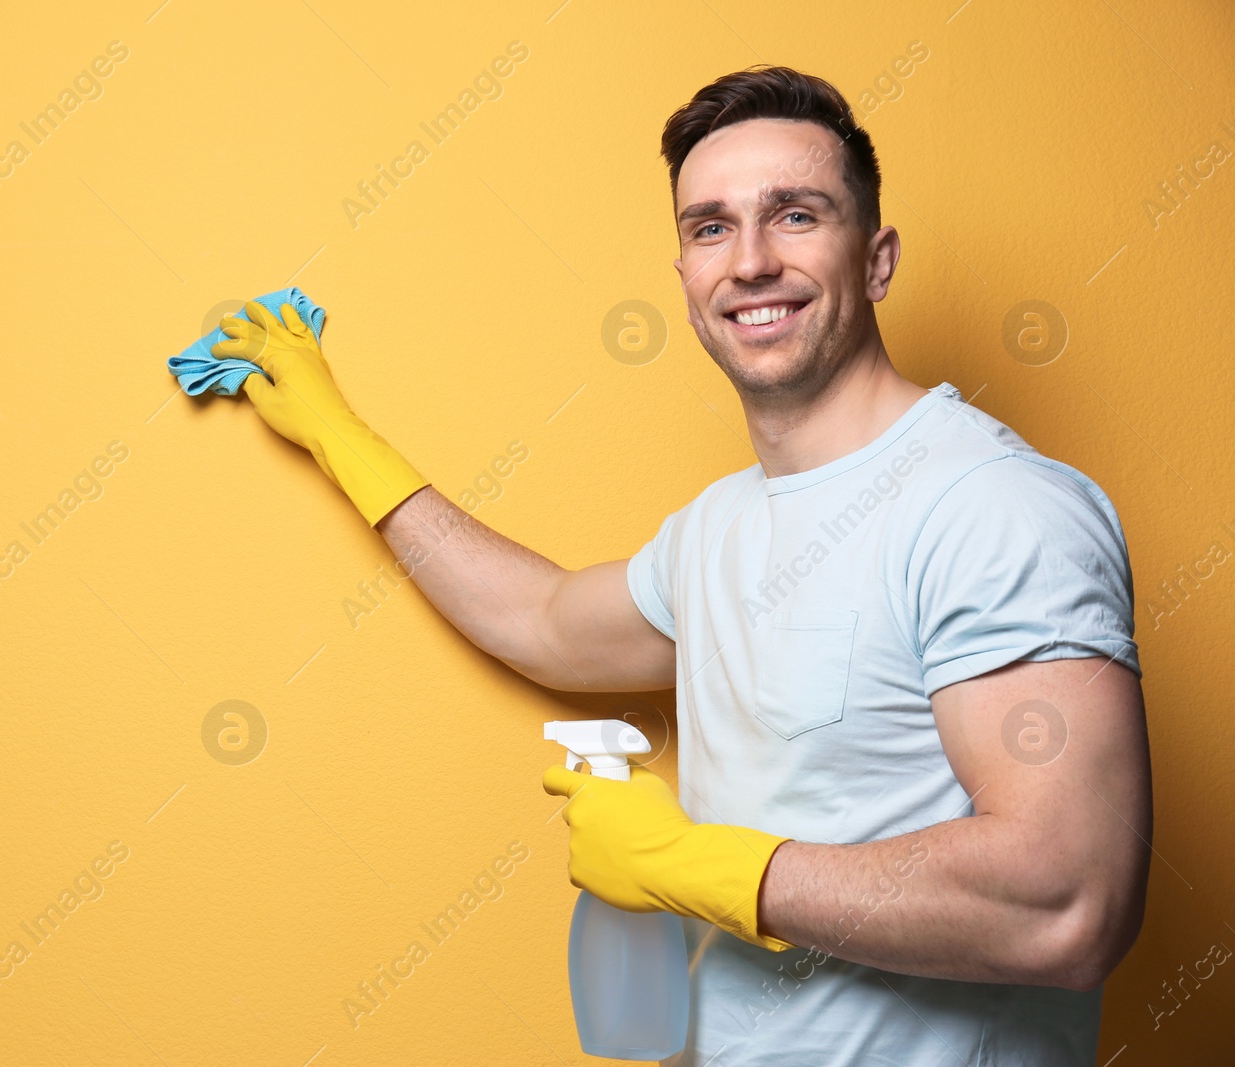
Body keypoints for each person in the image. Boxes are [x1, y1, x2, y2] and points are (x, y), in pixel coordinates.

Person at [207, 65, 1150, 1066]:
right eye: (710, 227)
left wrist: (696, 865)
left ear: (876, 259)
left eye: (794, 215)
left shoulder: (991, 506)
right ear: (686, 281)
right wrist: (342, 439)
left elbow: (1068, 902)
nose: (748, 260)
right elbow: (542, 620)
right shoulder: (717, 530)